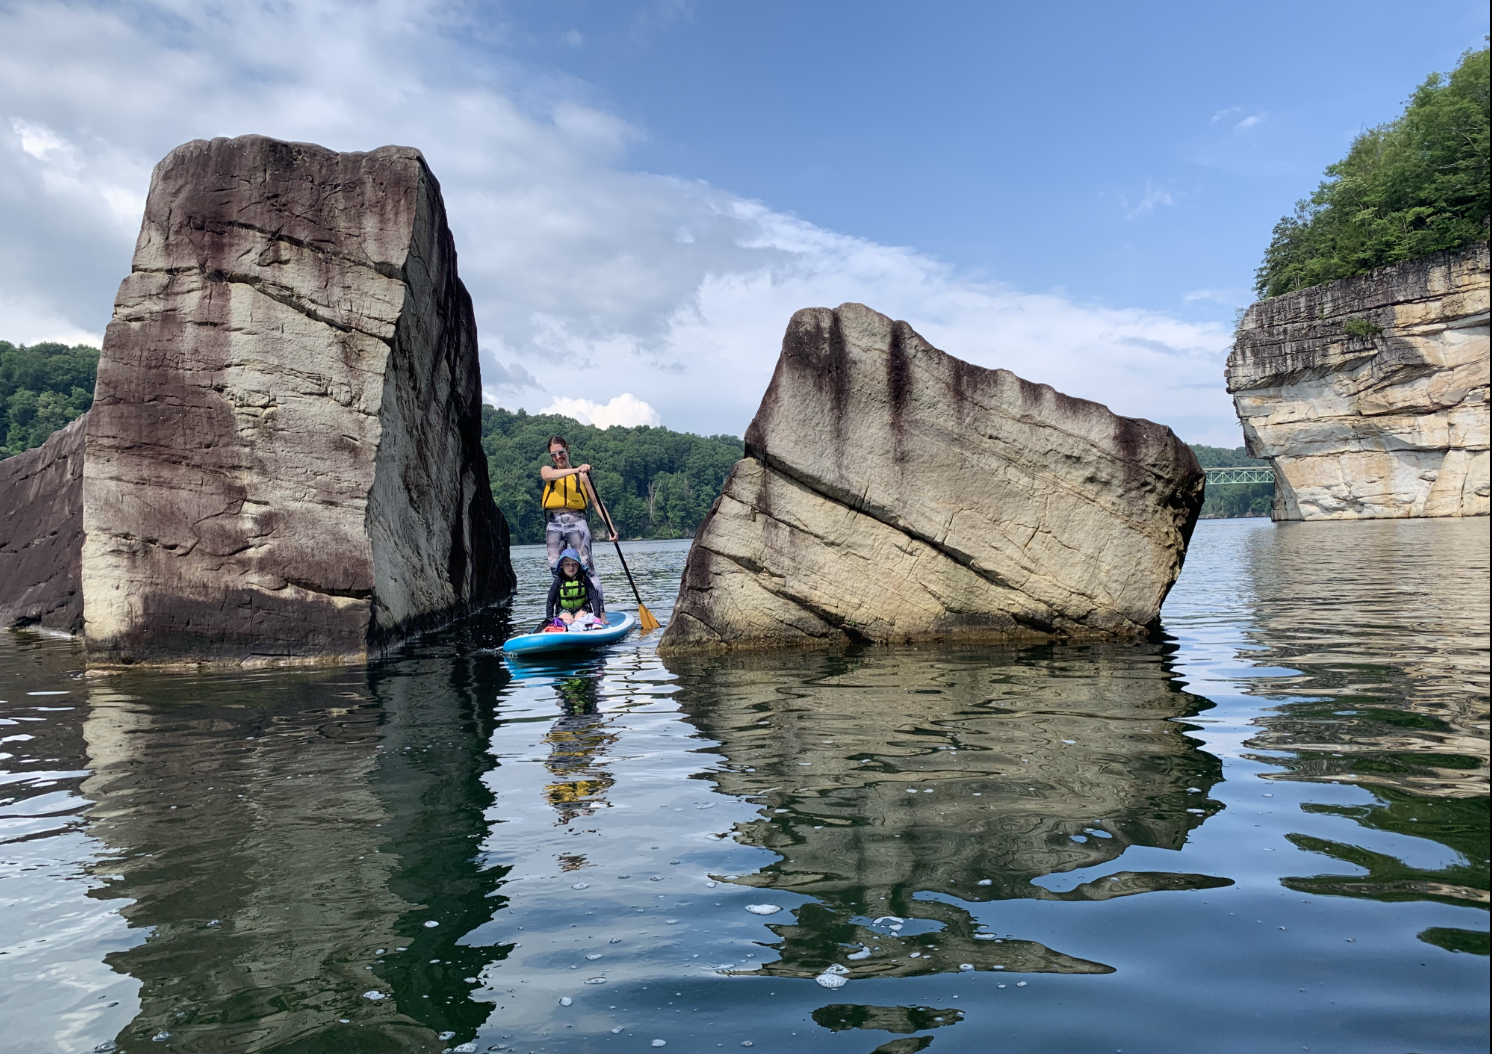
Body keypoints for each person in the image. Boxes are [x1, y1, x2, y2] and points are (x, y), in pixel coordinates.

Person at [539, 435, 615, 614]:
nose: (558, 457)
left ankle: (599, 612)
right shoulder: (548, 470)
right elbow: (548, 475)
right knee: (556, 570)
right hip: (554, 523)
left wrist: (611, 528)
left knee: (586, 568)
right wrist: (576, 470)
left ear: (567, 450)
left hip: (577, 522)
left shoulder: (582, 476)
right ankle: (563, 612)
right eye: (553, 454)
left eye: (561, 452)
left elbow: (596, 503)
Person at [545, 549, 602, 629]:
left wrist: (597, 617)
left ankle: (585, 626)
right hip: (564, 611)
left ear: (579, 565)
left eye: (575, 564)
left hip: (582, 609)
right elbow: (550, 602)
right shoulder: (558, 581)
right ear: (562, 565)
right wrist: (550, 620)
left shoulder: (584, 579)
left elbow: (594, 598)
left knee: (580, 620)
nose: (571, 567)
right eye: (567, 564)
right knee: (568, 621)